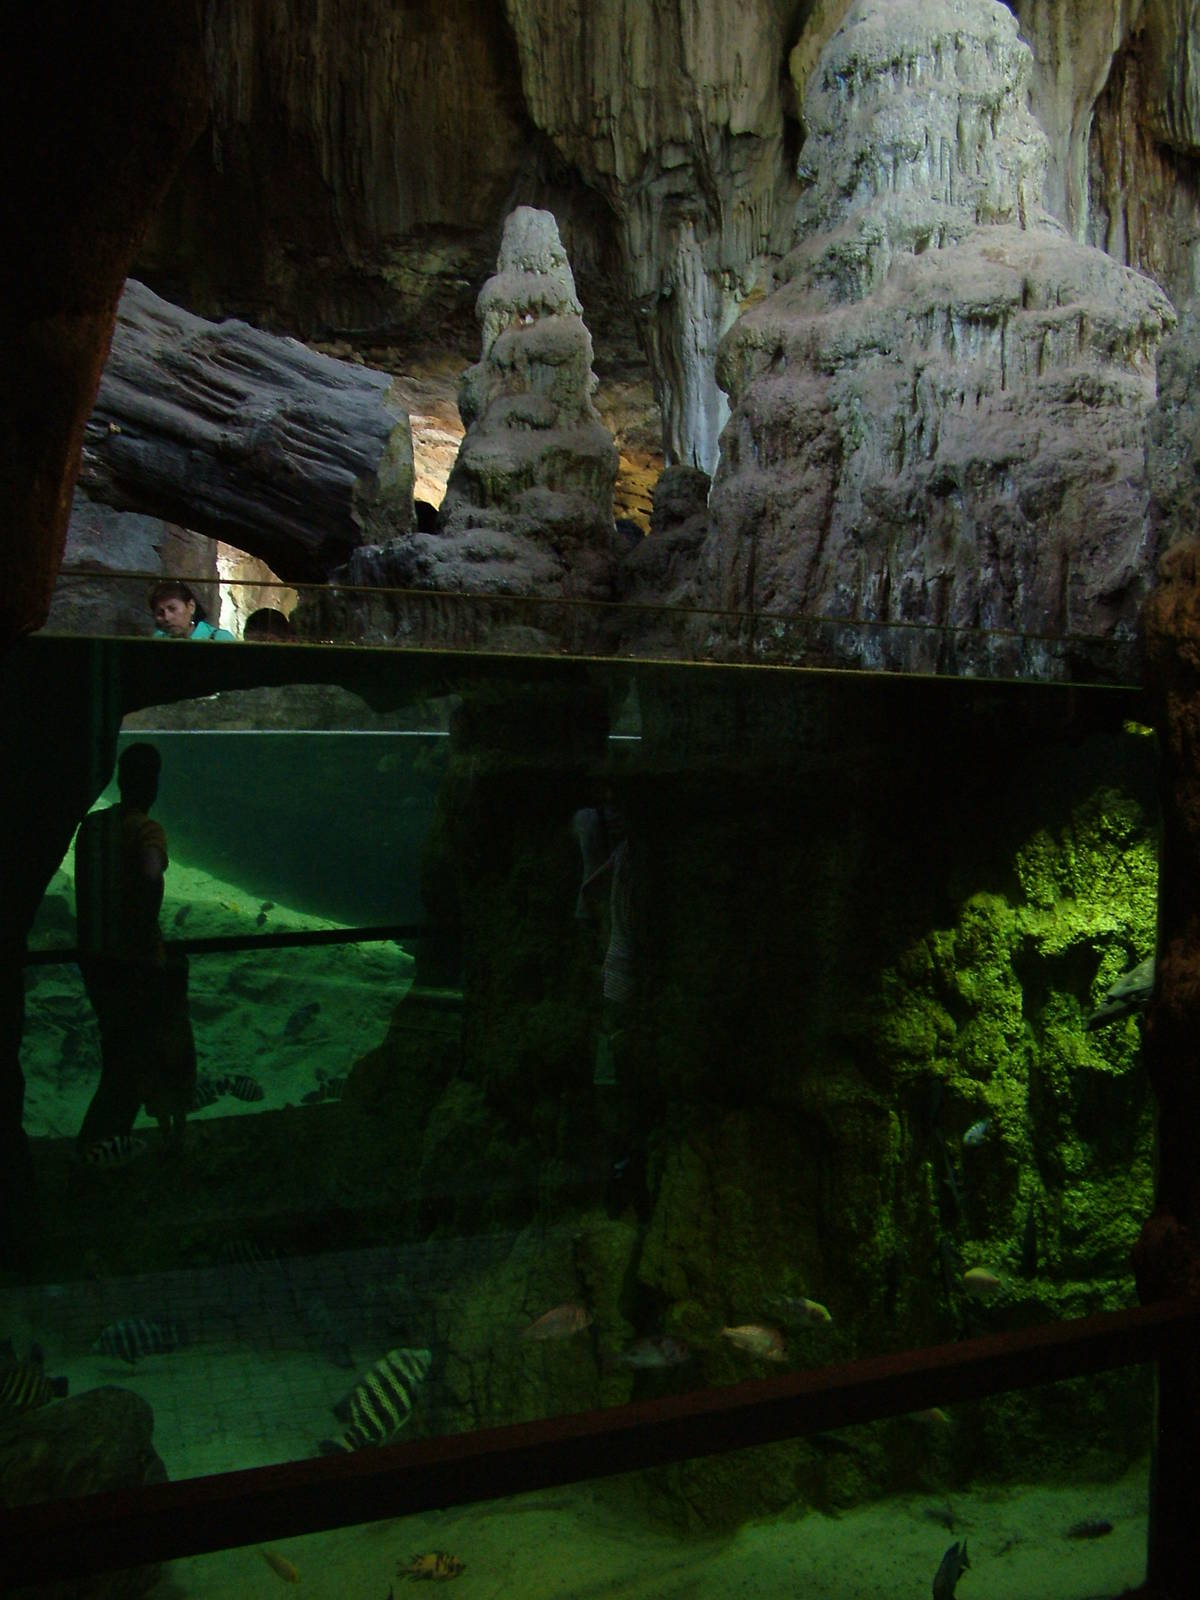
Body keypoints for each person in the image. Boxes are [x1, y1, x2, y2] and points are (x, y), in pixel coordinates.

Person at [74, 744, 196, 1154]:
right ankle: (96, 1153)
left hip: (94, 960)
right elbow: (149, 871)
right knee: (130, 1068)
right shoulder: (147, 829)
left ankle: (101, 1150)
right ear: (153, 783)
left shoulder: (91, 827)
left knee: (118, 1058)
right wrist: (154, 871)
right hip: (135, 965)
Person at [149, 580, 235, 640]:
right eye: (160, 613)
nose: (167, 618)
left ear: (191, 606)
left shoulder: (219, 638)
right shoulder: (157, 640)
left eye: (173, 609)